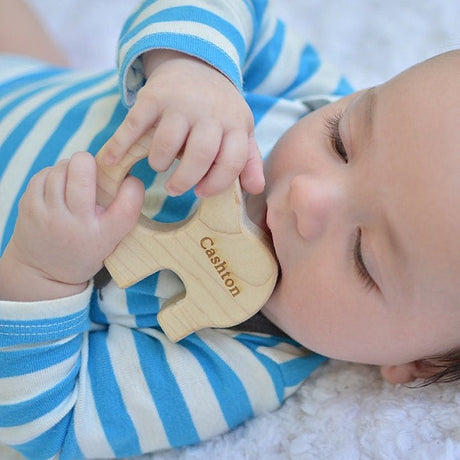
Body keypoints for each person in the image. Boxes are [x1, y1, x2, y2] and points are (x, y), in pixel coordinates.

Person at [0, 0, 459, 459]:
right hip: (27, 86)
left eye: (362, 255)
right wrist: (195, 70)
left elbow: (50, 429)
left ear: (416, 362)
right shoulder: (303, 97)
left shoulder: (236, 365)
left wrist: (44, 275)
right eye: (341, 143)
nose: (307, 196)